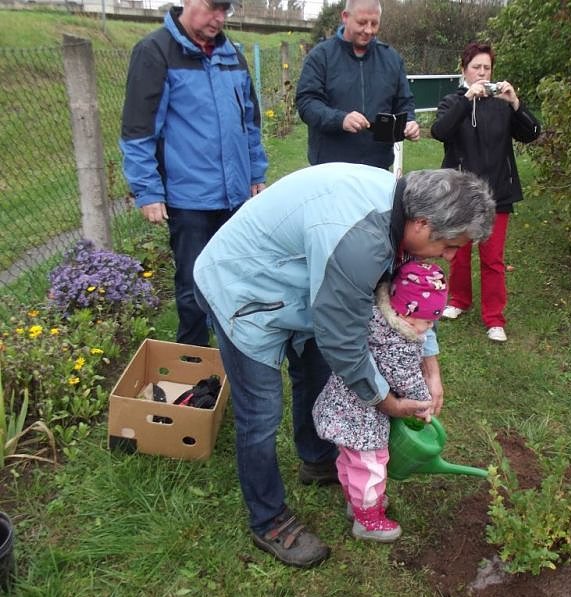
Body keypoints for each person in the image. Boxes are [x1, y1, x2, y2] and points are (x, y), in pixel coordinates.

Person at [193, 163, 494, 568]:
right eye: (451, 246)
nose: (451, 256)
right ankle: (269, 519)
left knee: (317, 375)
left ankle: (316, 460)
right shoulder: (361, 242)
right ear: (422, 225)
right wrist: (384, 400)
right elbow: (341, 336)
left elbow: (407, 306)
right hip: (243, 287)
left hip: (301, 284)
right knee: (261, 413)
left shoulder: (403, 211)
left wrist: (431, 368)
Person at [119, 0, 268, 347]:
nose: (218, 18)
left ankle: (236, 354)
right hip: (189, 198)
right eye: (212, 7)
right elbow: (139, 130)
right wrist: (148, 190)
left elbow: (250, 122)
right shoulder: (155, 52)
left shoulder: (232, 54)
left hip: (234, 195)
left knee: (233, 279)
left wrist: (255, 172)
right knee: (192, 285)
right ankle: (192, 360)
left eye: (225, 10)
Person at [313, 261, 448, 543]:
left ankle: (356, 502)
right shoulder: (400, 341)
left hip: (342, 405)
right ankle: (368, 521)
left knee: (350, 460)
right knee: (372, 466)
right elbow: (405, 377)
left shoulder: (378, 317)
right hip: (363, 417)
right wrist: (423, 402)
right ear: (406, 312)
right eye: (427, 320)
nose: (430, 326)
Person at [430, 41, 540, 343]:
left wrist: (515, 102)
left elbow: (532, 133)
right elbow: (440, 132)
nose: (481, 73)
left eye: (486, 68)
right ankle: (458, 300)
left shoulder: (502, 103)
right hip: (462, 192)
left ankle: (494, 318)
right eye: (476, 67)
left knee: (492, 258)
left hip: (498, 193)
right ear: (464, 69)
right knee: (460, 252)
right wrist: (467, 99)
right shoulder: (454, 101)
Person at [295, 0, 420, 170]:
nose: (368, 30)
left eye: (374, 24)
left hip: (377, 167)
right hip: (330, 167)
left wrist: (409, 122)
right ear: (345, 17)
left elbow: (404, 102)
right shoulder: (320, 57)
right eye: (362, 23)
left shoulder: (391, 59)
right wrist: (341, 119)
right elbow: (307, 103)